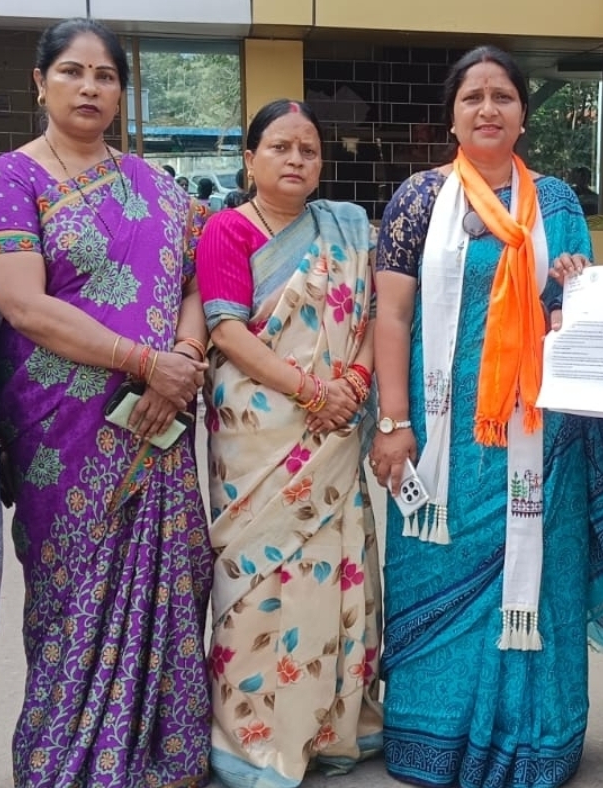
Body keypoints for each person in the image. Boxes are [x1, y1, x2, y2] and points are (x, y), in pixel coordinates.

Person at [371, 45, 603, 788]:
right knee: (434, 564)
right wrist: (393, 422)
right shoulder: (418, 198)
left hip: (538, 436)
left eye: (503, 96)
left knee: (539, 578)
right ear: (452, 116)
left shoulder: (556, 204)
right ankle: (430, 740)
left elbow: (578, 319)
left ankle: (534, 746)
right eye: (473, 97)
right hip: (442, 437)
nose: (488, 109)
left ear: (523, 115)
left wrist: (572, 288)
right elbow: (390, 314)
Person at [0, 18, 213, 788]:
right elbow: (24, 306)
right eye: (72, 72)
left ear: (120, 93)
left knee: (170, 584)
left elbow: (196, 281)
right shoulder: (12, 178)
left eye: (105, 76)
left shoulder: (159, 187)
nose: (89, 87)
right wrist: (144, 363)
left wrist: (183, 359)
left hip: (161, 423)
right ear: (39, 83)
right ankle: (65, 764)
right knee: (70, 598)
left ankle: (163, 756)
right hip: (64, 437)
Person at [196, 98, 382, 788]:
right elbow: (226, 331)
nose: (296, 159)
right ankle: (255, 740)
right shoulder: (227, 229)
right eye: (280, 147)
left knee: (333, 570)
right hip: (260, 437)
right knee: (258, 581)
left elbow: (369, 317)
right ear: (250, 160)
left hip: (335, 427)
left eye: (308, 149)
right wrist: (312, 392)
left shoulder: (346, 230)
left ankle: (332, 727)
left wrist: (354, 380)